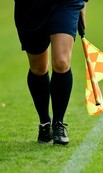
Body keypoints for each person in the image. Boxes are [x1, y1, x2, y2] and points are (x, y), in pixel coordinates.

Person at [14, 0, 89, 145]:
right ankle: (44, 123)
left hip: (67, 2)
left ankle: (58, 124)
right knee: (38, 67)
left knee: (62, 62)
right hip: (30, 7)